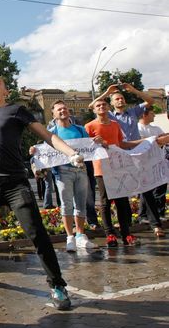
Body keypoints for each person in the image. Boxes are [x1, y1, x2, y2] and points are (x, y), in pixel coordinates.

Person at [0, 76, 84, 311]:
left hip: (15, 184)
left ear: (6, 90)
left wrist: (70, 153)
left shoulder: (17, 111)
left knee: (37, 233)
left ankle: (57, 285)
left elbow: (48, 136)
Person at [84, 99, 168, 247]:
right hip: (101, 169)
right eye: (98, 105)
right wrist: (95, 143)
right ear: (94, 110)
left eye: (104, 105)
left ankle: (126, 234)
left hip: (118, 167)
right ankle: (109, 234)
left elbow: (122, 144)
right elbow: (85, 147)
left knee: (122, 202)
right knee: (105, 202)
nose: (101, 107)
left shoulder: (115, 125)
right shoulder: (89, 126)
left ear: (108, 107)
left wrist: (145, 141)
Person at [38, 100, 97, 252]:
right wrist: (35, 151)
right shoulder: (52, 132)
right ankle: (70, 237)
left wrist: (96, 142)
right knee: (66, 205)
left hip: (81, 170)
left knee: (81, 204)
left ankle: (80, 235)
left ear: (69, 111)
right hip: (63, 172)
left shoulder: (79, 129)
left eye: (65, 108)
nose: (63, 111)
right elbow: (45, 151)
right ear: (54, 114)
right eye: (59, 110)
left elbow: (88, 146)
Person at [137, 107, 167, 223]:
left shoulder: (156, 128)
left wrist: (160, 139)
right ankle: (143, 215)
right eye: (152, 113)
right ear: (144, 115)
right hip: (144, 163)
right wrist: (158, 140)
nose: (154, 115)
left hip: (159, 162)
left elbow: (163, 141)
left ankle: (159, 213)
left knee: (160, 189)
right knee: (146, 190)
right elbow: (143, 143)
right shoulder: (137, 128)